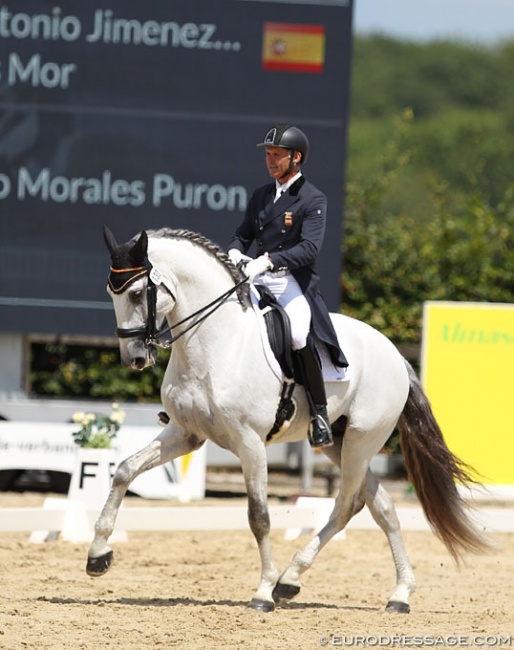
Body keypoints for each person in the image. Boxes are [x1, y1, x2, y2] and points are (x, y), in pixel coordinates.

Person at [227, 124, 348, 448]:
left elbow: (309, 249)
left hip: (289, 280)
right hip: (255, 274)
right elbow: (243, 234)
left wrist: (267, 260)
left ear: (296, 158)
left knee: (296, 333)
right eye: (268, 155)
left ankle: (319, 414)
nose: (270, 161)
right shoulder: (261, 196)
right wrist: (235, 251)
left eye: (277, 155)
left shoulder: (312, 198)